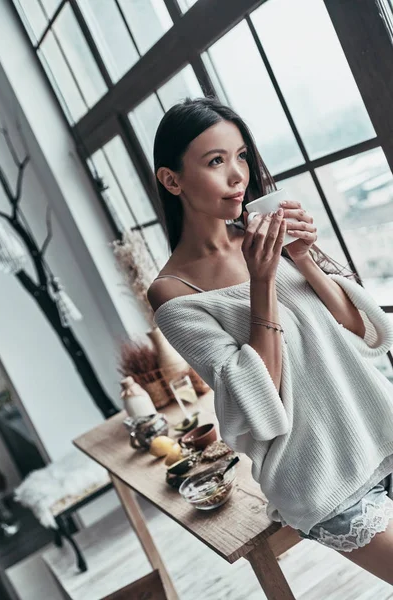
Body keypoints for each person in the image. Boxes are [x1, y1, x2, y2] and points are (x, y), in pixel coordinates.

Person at [147, 96, 393, 584]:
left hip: (381, 423)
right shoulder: (173, 291)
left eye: (241, 156)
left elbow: (363, 334)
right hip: (322, 472)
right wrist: (262, 283)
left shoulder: (267, 237)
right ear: (171, 180)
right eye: (216, 161)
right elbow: (258, 400)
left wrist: (302, 257)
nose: (237, 175)